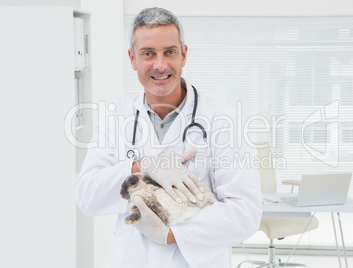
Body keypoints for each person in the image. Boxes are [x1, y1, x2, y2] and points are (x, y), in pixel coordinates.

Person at [76, 7, 262, 268]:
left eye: (170, 52)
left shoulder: (223, 120)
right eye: (148, 54)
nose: (160, 65)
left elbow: (245, 213)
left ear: (184, 55)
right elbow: (87, 196)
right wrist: (141, 166)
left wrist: (172, 235)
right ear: (132, 59)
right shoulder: (116, 115)